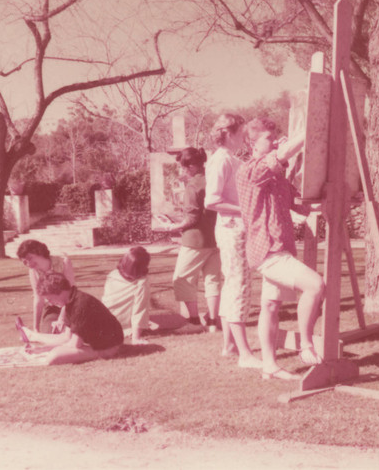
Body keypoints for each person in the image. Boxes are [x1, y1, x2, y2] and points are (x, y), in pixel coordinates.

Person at [236, 117, 325, 381]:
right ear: (253, 144)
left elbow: (302, 205)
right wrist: (312, 130)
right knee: (315, 286)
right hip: (268, 251)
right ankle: (306, 345)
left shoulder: (276, 178)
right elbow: (282, 154)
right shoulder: (250, 170)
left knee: (270, 305)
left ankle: (269, 366)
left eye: (276, 137)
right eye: (268, 138)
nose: (274, 142)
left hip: (280, 248)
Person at [204, 113, 262, 369]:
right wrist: (246, 210)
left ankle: (229, 345)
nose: (244, 137)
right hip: (231, 230)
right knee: (239, 286)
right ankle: (245, 354)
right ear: (228, 133)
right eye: (240, 133)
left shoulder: (230, 159)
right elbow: (212, 201)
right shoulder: (220, 160)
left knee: (232, 285)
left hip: (235, 229)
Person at [166, 147, 221, 333]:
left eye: (183, 167)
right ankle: (213, 321)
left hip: (195, 240)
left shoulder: (193, 186)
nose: (182, 171)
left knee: (182, 279)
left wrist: (172, 226)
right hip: (215, 238)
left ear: (190, 166)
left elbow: (191, 219)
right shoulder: (213, 179)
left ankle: (194, 321)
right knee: (212, 280)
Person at [20, 272, 124, 365]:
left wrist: (47, 349)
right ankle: (33, 336)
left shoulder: (80, 304)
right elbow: (66, 337)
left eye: (50, 299)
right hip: (98, 344)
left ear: (59, 291)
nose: (50, 303)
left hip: (109, 347)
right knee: (54, 352)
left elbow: (75, 344)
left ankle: (100, 354)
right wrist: (42, 349)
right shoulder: (70, 301)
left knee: (54, 356)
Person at [17, 239, 74, 333]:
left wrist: (61, 318)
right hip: (51, 307)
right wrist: (36, 328)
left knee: (67, 332)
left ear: (39, 252)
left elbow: (71, 293)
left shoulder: (64, 262)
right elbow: (38, 299)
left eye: (30, 258)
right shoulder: (33, 271)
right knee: (50, 331)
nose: (29, 264)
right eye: (25, 262)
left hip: (70, 305)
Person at [102, 246, 153, 344]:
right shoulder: (142, 282)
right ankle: (133, 331)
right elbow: (140, 309)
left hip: (105, 320)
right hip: (122, 325)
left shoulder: (113, 274)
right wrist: (136, 338)